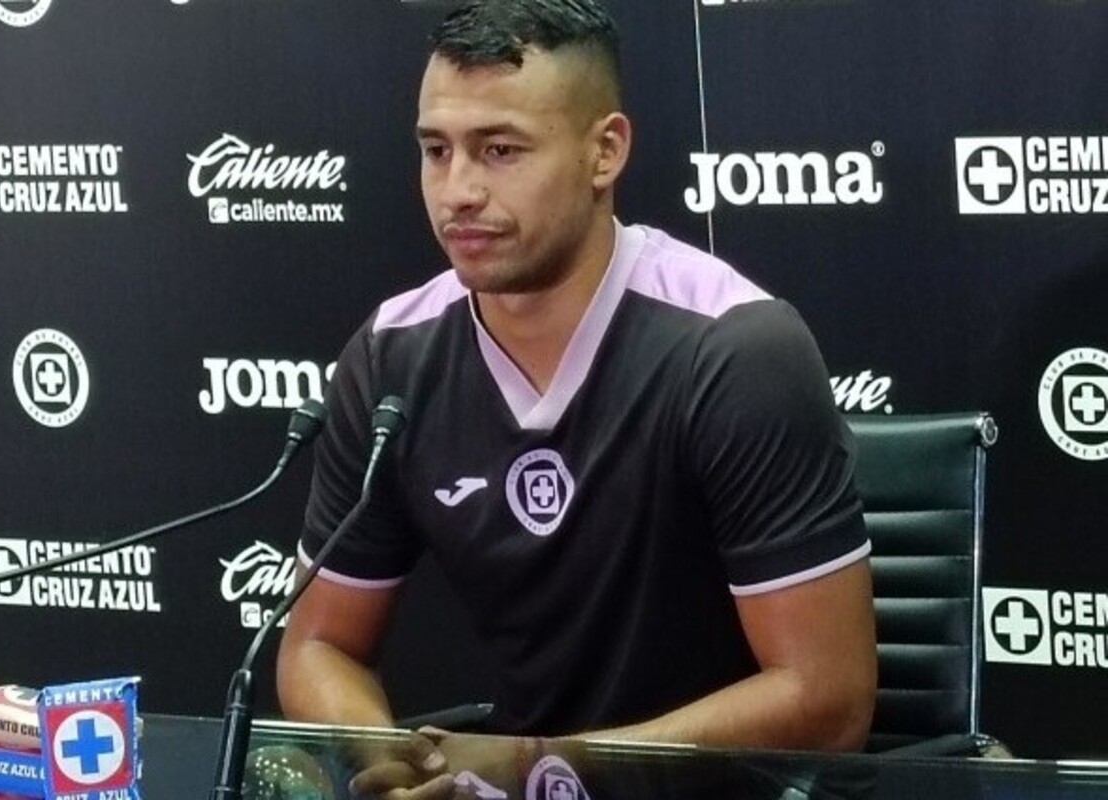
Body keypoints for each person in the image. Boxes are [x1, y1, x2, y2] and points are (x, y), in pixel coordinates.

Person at [277, 0, 876, 794]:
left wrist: (542, 762)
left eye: (499, 150)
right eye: (435, 150)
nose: (457, 190)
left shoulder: (734, 349)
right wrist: (391, 762)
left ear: (605, 153)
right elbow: (319, 646)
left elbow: (827, 700)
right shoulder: (392, 356)